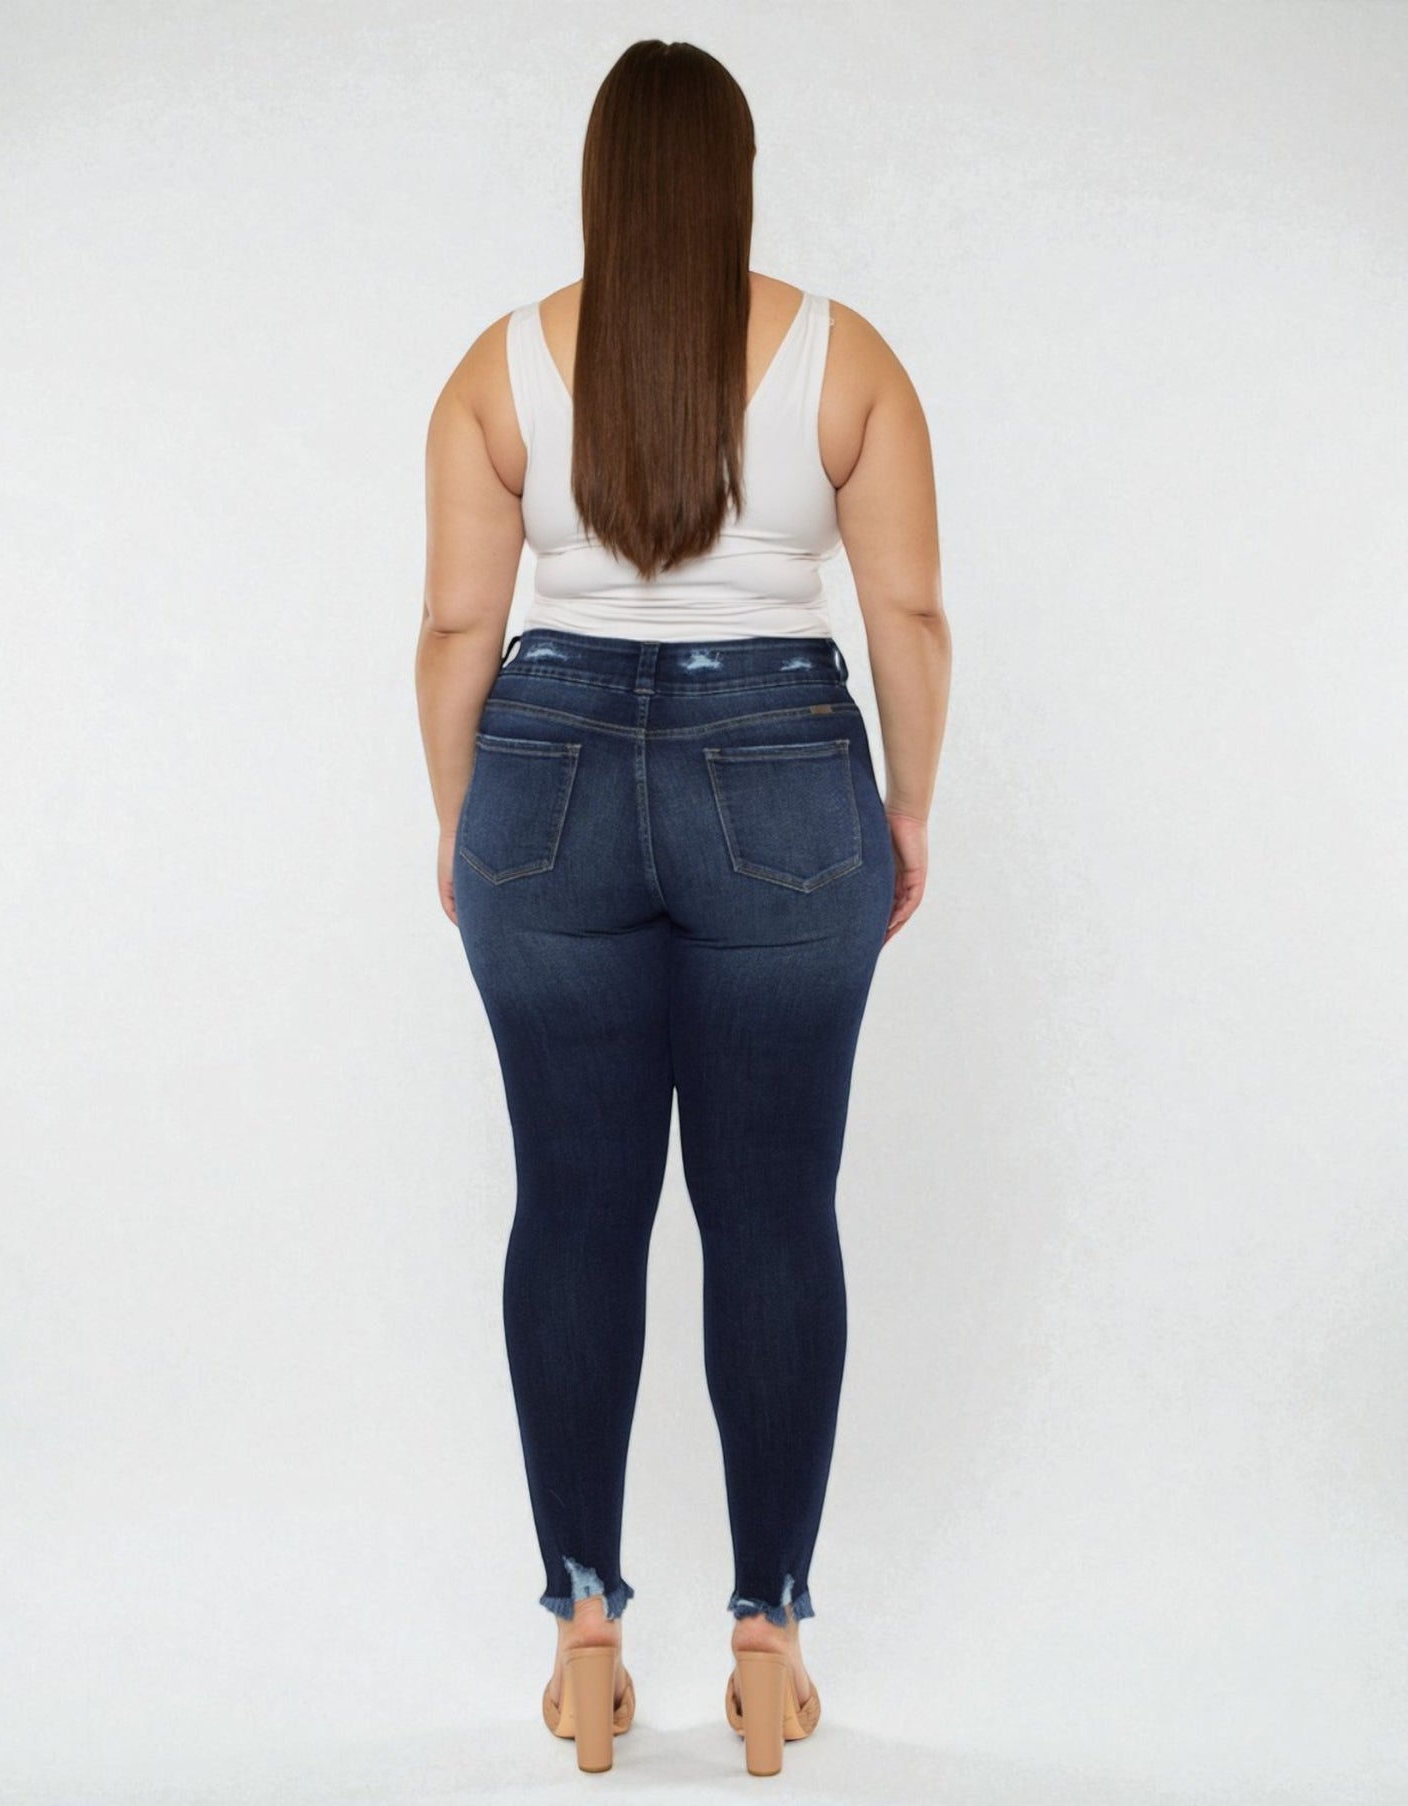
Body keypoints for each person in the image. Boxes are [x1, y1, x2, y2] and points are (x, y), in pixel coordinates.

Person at [415, 38, 949, 1778]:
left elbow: (451, 637)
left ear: (599, 176)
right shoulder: (842, 358)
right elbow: (911, 620)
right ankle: (771, 1642)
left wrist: (462, 824)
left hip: (543, 781)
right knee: (773, 1216)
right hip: (783, 775)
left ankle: (583, 1633)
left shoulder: (497, 372)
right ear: (731, 175)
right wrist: (905, 811)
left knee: (571, 1211)